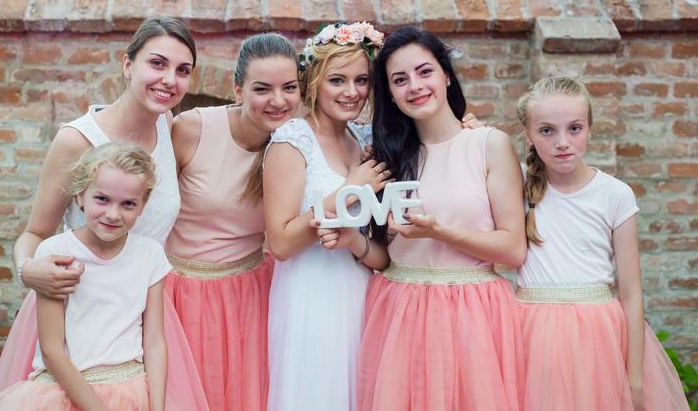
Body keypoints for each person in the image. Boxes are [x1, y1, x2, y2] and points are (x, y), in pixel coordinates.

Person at [0, 17, 208, 410]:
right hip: (77, 314)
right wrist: (27, 269)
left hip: (141, 312)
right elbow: (35, 232)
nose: (169, 80)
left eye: (182, 70)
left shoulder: (166, 122)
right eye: (157, 63)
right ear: (128, 64)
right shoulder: (77, 140)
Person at [358, 27, 527, 411]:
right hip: (399, 309)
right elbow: (382, 254)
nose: (415, 86)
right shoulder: (385, 158)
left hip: (473, 312)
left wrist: (440, 232)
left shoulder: (489, 144)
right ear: (390, 93)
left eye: (424, 72)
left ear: (446, 75)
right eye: (400, 80)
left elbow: (513, 249)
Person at [515, 77, 688, 411]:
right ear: (529, 135)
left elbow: (631, 293)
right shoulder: (516, 183)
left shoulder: (614, 194)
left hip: (598, 336)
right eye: (547, 130)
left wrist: (635, 380)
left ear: (590, 129)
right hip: (531, 334)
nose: (562, 142)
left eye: (575, 128)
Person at [164, 33, 302, 410]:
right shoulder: (191, 129)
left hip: (253, 292)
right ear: (238, 90)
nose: (278, 101)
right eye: (263, 89)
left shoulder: (299, 143)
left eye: (289, 88)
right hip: (183, 293)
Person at [263, 22, 391, 410]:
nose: (351, 92)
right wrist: (349, 191)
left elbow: (380, 250)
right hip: (310, 295)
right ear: (315, 81)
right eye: (338, 80)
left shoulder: (362, 140)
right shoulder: (292, 141)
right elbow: (281, 243)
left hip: (359, 291)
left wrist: (355, 242)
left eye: (361, 80)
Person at [0, 143, 172, 410]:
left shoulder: (150, 255)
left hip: (131, 391)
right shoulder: (56, 252)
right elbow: (52, 351)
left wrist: (158, 407)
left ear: (143, 205)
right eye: (102, 199)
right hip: (63, 392)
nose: (113, 214)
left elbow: (154, 342)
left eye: (128, 204)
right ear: (80, 195)